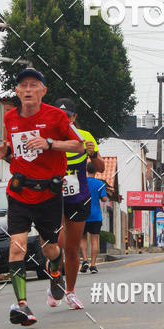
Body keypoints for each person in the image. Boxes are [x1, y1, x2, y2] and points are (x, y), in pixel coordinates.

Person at [0, 69, 86, 327]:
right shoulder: (10, 117)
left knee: (50, 248)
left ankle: (55, 271)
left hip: (48, 196)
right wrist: (3, 150)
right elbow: (11, 147)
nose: (28, 89)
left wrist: (49, 143)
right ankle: (21, 305)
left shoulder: (56, 116)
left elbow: (79, 146)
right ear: (18, 92)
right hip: (20, 192)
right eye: (23, 85)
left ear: (43, 91)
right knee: (17, 247)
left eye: (34, 85)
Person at [47, 99, 105, 307]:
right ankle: (55, 276)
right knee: (57, 244)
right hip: (54, 197)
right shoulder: (48, 137)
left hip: (78, 196)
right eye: (60, 115)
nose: (64, 119)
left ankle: (70, 291)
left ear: (74, 117)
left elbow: (99, 167)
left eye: (68, 115)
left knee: (72, 249)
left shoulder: (85, 137)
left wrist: (92, 153)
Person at [80, 161, 109, 273]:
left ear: (86, 170)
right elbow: (104, 199)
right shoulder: (100, 184)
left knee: (82, 239)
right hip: (95, 215)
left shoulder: (81, 182)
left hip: (82, 214)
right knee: (94, 240)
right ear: (96, 171)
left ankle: (85, 260)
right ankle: (93, 265)